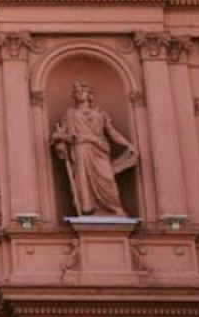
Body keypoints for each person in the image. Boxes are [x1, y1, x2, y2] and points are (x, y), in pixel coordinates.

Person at [51, 80, 137, 217]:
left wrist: (127, 145)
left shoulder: (100, 113)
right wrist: (63, 139)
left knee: (107, 179)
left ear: (89, 94)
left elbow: (112, 132)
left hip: (100, 150)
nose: (78, 94)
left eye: (82, 91)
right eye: (76, 92)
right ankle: (88, 211)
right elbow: (59, 135)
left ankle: (114, 208)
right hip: (80, 150)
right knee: (83, 182)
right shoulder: (70, 114)